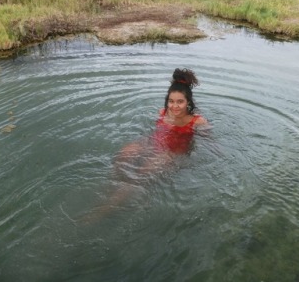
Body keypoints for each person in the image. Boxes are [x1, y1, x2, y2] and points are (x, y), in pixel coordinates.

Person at [80, 68, 208, 224]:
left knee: (139, 174)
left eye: (180, 102)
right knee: (124, 155)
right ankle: (109, 193)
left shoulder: (198, 121)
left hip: (172, 153)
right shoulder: (163, 112)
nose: (175, 106)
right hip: (153, 144)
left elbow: (208, 142)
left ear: (188, 102)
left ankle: (100, 213)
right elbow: (155, 133)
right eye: (171, 101)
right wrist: (141, 146)